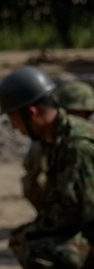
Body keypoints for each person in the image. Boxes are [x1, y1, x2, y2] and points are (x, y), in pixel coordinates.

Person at [0, 67, 94, 269]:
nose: (14, 128)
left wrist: (34, 231)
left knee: (36, 250)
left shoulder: (76, 144)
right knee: (30, 241)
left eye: (13, 119)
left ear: (32, 112)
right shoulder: (56, 140)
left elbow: (76, 208)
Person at [21, 79, 94, 211]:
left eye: (80, 114)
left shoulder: (84, 140)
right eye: (72, 113)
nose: (75, 119)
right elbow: (30, 170)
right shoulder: (46, 139)